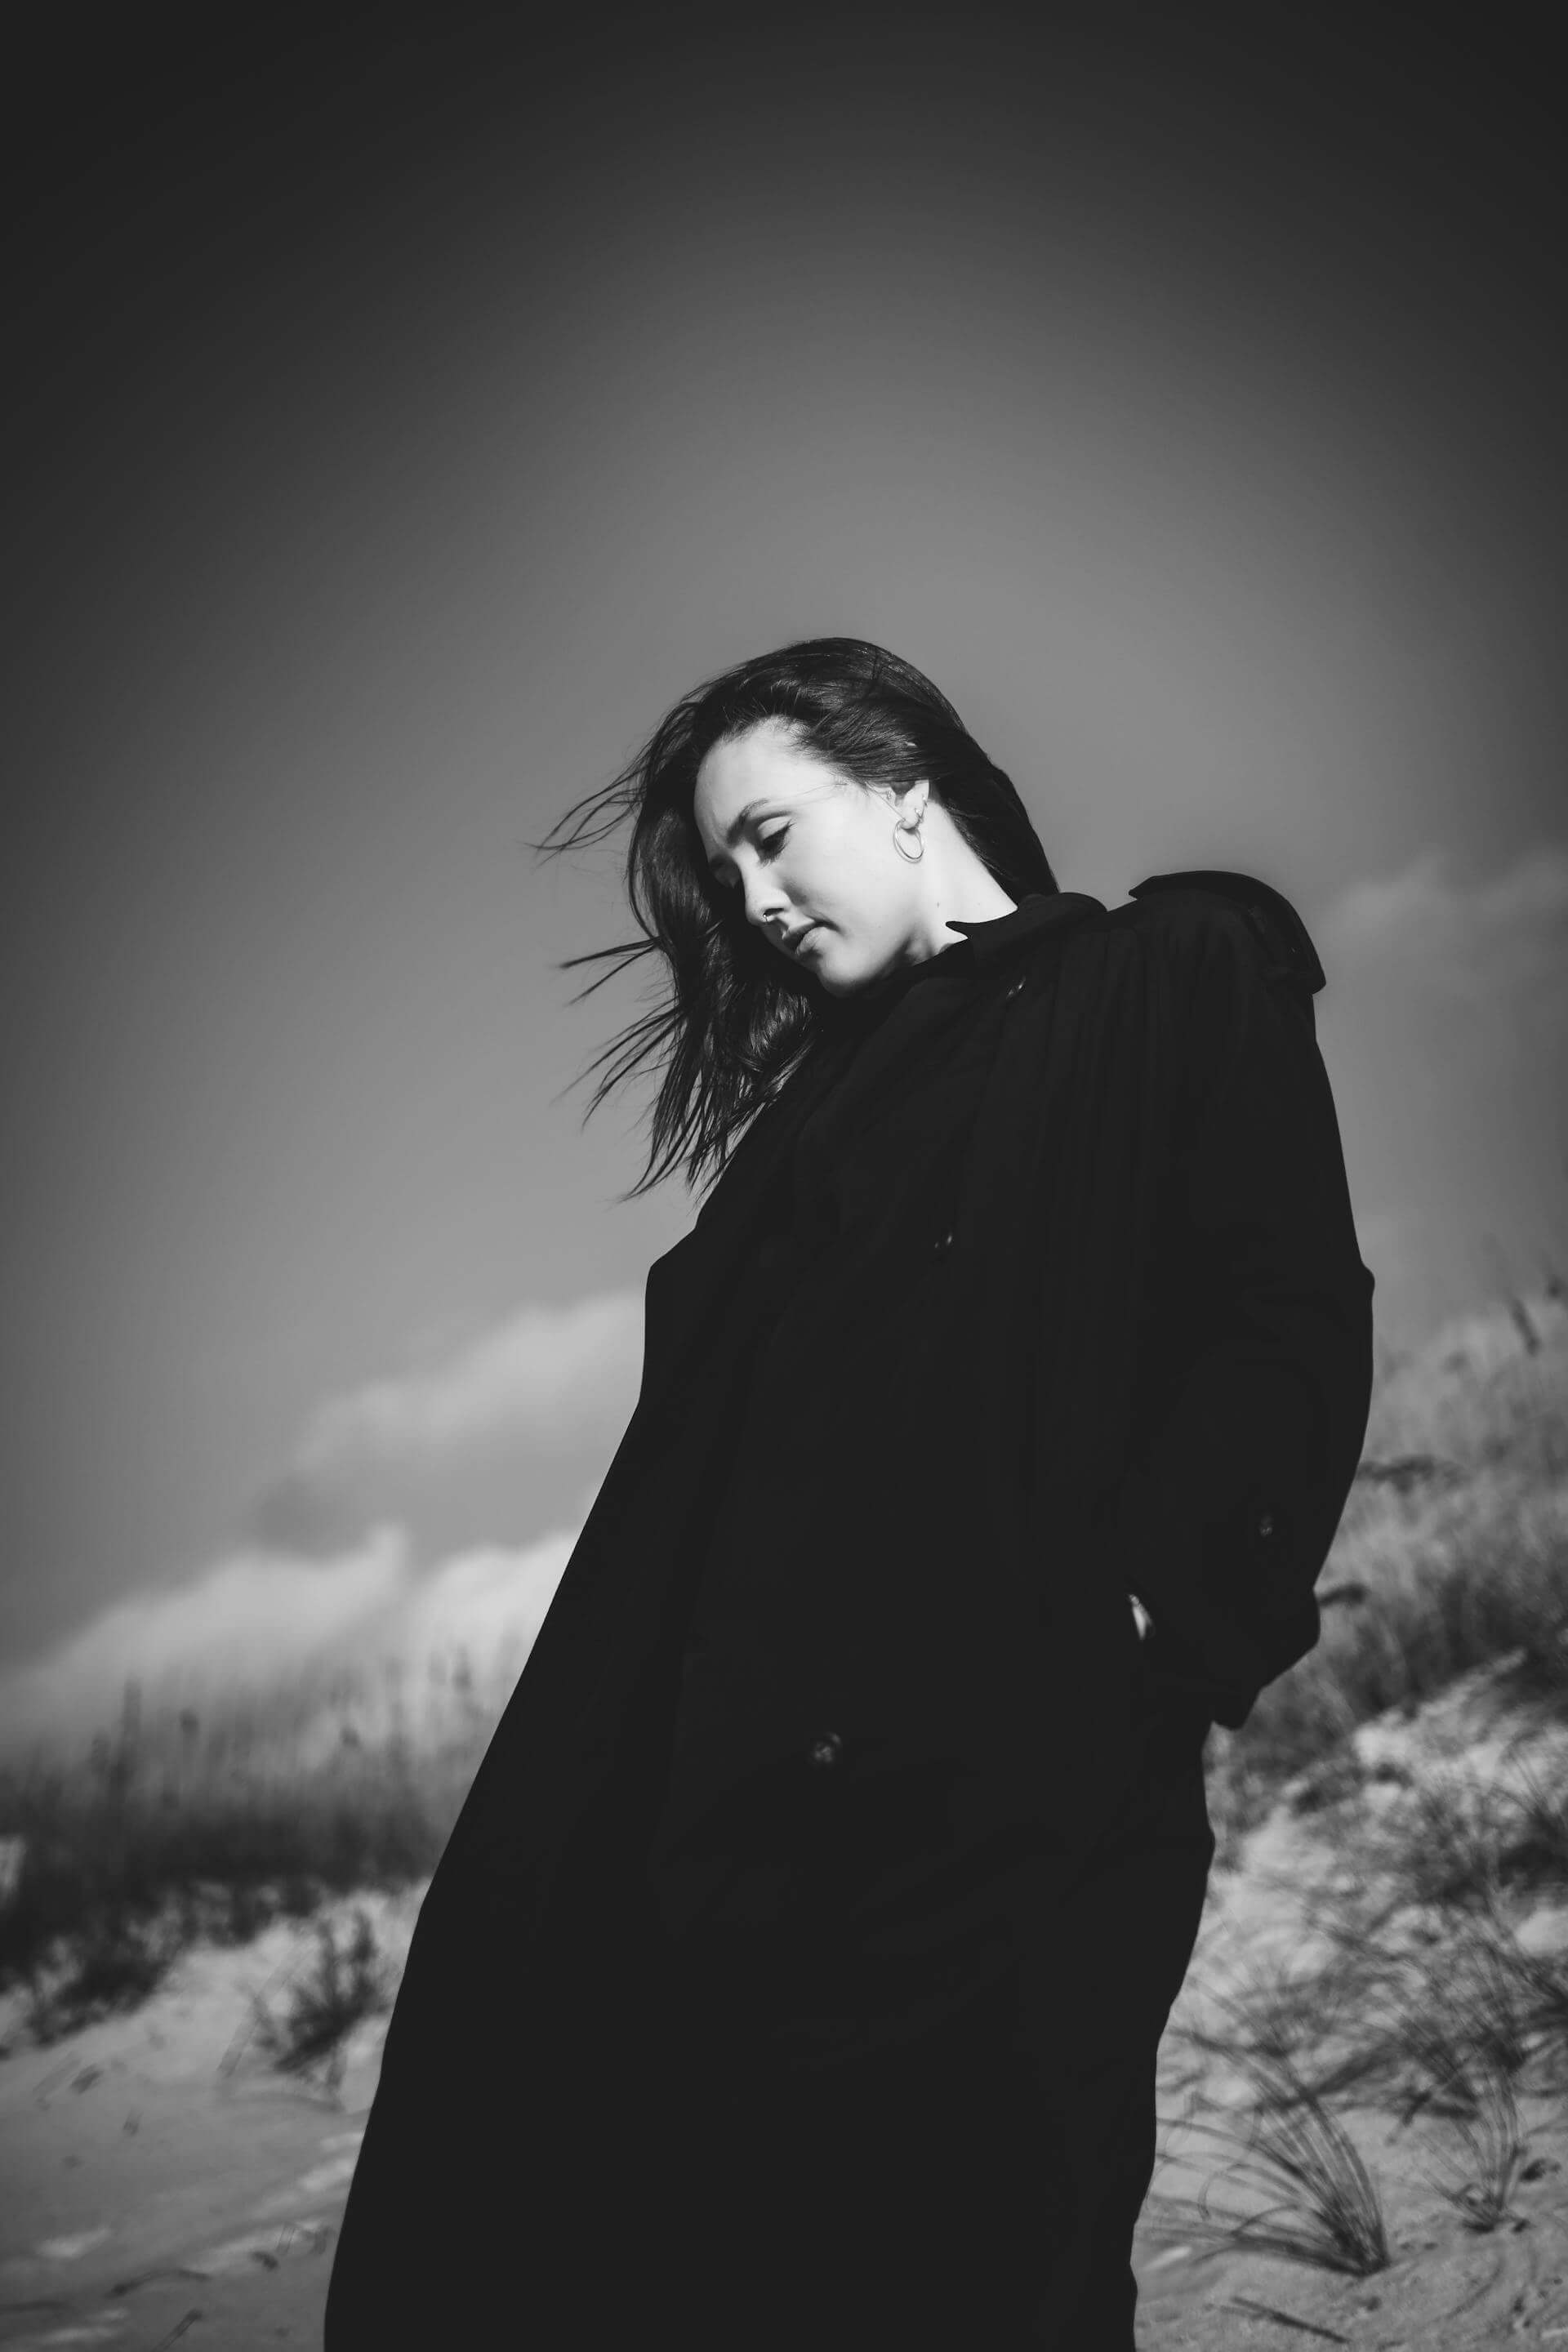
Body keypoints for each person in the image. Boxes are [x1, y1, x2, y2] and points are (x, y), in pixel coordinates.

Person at [323, 637, 1374, 2349]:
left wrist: (1143, 1627)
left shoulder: (1167, 970)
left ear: (902, 788)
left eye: (767, 832)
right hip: (736, 1848)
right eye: (721, 868)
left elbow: (1283, 1315)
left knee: (999, 2272)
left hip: (1022, 1796)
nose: (745, 898)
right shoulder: (805, 1143)